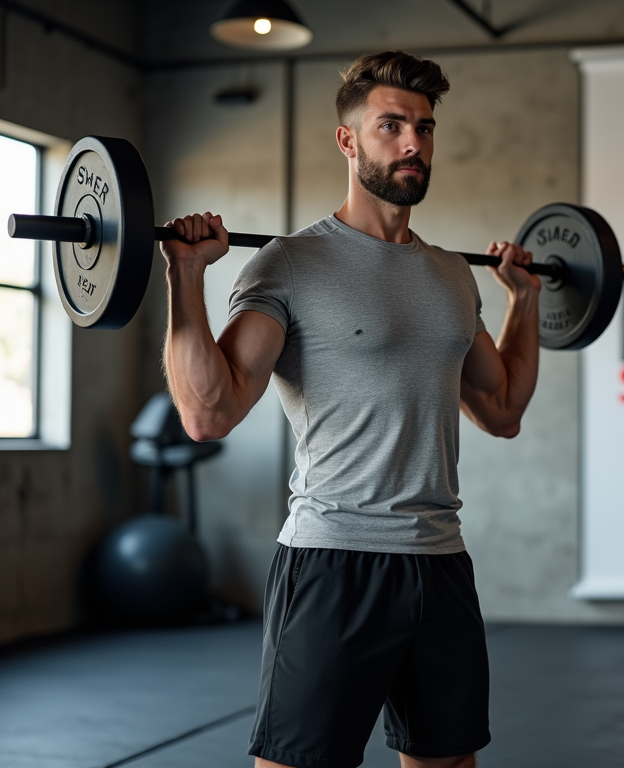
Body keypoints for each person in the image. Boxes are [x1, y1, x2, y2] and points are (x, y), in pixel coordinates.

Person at [160, 51, 541, 768]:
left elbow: (502, 406)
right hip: (335, 562)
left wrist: (526, 301)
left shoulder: (452, 275)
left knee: (449, 762)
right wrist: (185, 278)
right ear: (348, 141)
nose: (412, 144)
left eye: (424, 129)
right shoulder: (290, 263)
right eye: (391, 125)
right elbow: (209, 413)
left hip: (440, 561)